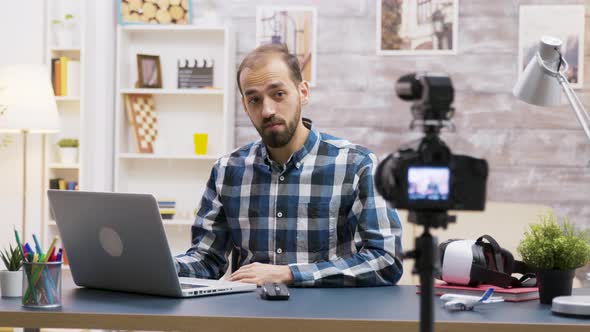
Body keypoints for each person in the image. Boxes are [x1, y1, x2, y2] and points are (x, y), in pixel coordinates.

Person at [174, 43, 403, 287]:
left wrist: (290, 274)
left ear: (303, 92)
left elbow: (386, 260)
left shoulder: (357, 165)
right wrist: (159, 266)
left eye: (278, 94)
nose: (267, 110)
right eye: (254, 99)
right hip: (248, 317)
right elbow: (206, 259)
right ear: (244, 106)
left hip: (327, 318)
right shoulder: (227, 170)